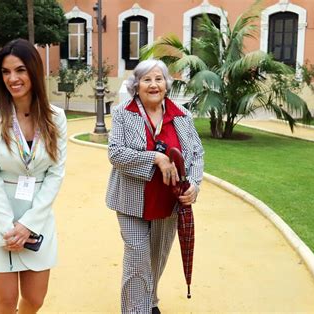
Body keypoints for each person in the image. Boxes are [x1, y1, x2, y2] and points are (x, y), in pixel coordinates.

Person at [0, 38, 67, 314]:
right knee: (5, 302)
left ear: (34, 72)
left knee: (35, 299)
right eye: (5, 72)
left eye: (20, 70)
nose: (12, 78)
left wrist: (28, 225)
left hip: (37, 217)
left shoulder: (55, 117)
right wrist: (7, 228)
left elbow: (56, 173)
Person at [106, 59, 204, 314]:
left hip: (168, 202)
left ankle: (150, 301)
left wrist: (194, 184)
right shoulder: (123, 113)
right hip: (131, 201)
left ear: (166, 85)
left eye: (159, 79)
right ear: (136, 85)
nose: (153, 85)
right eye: (147, 80)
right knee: (138, 256)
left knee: (157, 259)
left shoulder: (182, 115)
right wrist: (156, 158)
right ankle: (135, 310)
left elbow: (196, 154)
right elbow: (115, 154)